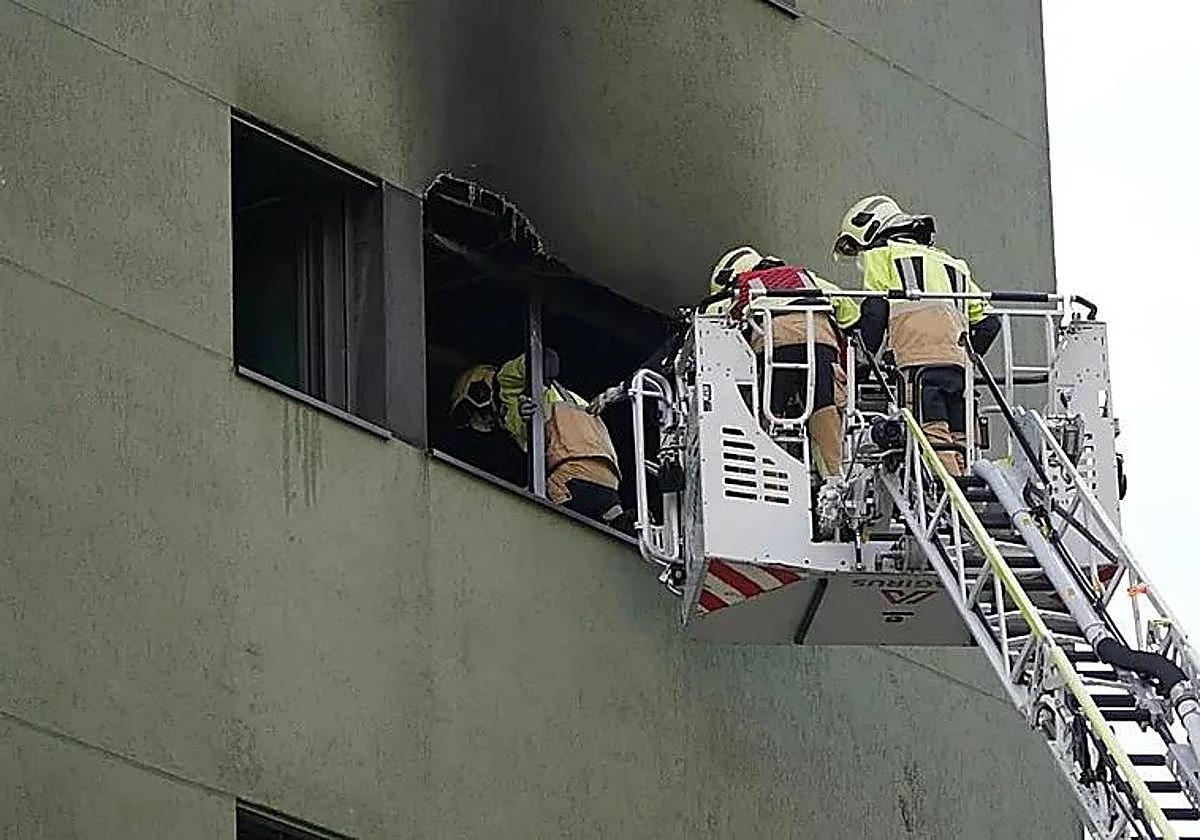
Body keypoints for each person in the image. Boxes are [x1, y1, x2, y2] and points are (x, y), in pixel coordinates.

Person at [833, 194, 1000, 475]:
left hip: (915, 365)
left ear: (871, 231)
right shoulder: (954, 264)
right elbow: (989, 324)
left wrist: (861, 362)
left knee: (932, 436)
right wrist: (966, 356)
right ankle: (968, 493)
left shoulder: (882, 255)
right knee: (962, 441)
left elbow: (875, 310)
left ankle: (950, 506)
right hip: (957, 369)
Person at [706, 246, 861, 479]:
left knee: (766, 414)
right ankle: (834, 477)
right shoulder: (808, 277)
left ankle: (763, 474)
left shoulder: (742, 287)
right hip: (820, 342)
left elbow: (713, 321)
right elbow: (850, 314)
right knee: (823, 406)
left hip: (774, 345)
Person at [494, 349, 633, 533]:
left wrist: (535, 367)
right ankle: (620, 520)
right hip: (609, 482)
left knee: (524, 510)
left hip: (571, 475)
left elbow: (538, 358)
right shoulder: (578, 401)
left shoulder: (510, 390)